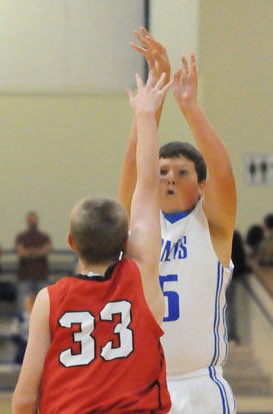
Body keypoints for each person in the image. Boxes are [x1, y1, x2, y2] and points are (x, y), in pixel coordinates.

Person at [12, 71, 172, 414]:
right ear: (126, 242)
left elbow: (25, 397)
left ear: (70, 241)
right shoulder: (141, 278)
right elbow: (146, 184)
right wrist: (146, 115)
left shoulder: (48, 300)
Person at [119, 27, 237, 413]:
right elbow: (134, 166)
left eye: (181, 172)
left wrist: (189, 106)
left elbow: (222, 173)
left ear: (200, 186)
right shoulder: (138, 227)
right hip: (144, 384)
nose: (168, 177)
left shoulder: (212, 227)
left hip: (199, 386)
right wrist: (151, 102)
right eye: (163, 170)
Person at [15, 212, 51, 311]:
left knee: (44, 304)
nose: (33, 222)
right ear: (27, 221)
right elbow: (21, 252)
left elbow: (47, 249)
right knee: (22, 305)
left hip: (41, 275)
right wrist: (38, 251)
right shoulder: (21, 236)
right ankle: (23, 321)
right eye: (31, 220)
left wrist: (30, 251)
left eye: (34, 220)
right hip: (25, 276)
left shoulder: (44, 236)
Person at [12, 292, 36, 365]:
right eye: (26, 302)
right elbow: (14, 332)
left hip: (35, 346)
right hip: (23, 345)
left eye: (29, 303)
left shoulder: (38, 315)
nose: (27, 305)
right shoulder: (20, 317)